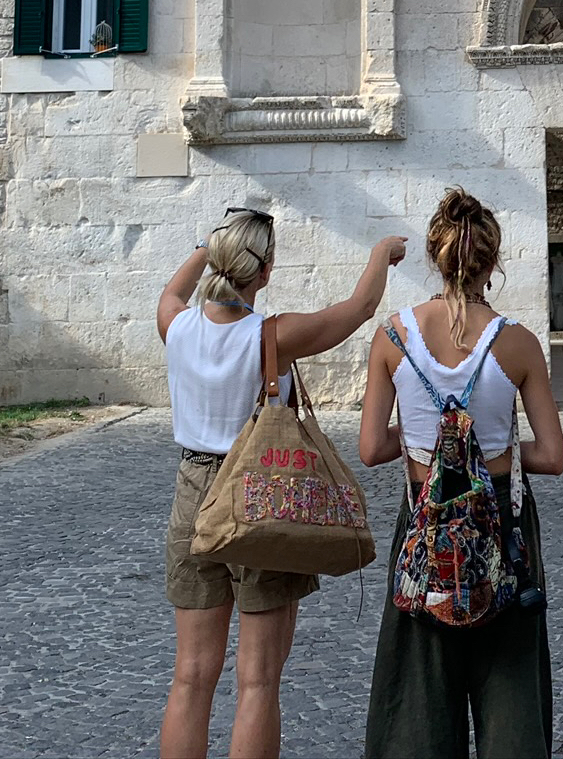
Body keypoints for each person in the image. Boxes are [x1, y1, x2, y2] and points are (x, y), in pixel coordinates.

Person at [155, 209, 407, 759]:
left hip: (193, 488)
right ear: (265, 271)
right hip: (258, 487)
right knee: (258, 679)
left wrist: (207, 245)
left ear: (217, 260)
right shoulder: (272, 336)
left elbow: (173, 291)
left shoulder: (176, 325)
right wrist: (380, 254)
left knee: (191, 675)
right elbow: (359, 309)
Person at [359, 187, 563, 759]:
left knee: (420, 684)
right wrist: (487, 447)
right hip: (502, 518)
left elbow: (372, 447)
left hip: (425, 515)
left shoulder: (393, 337)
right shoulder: (518, 343)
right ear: (492, 262)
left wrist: (427, 442)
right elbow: (553, 455)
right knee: (509, 682)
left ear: (435, 255)